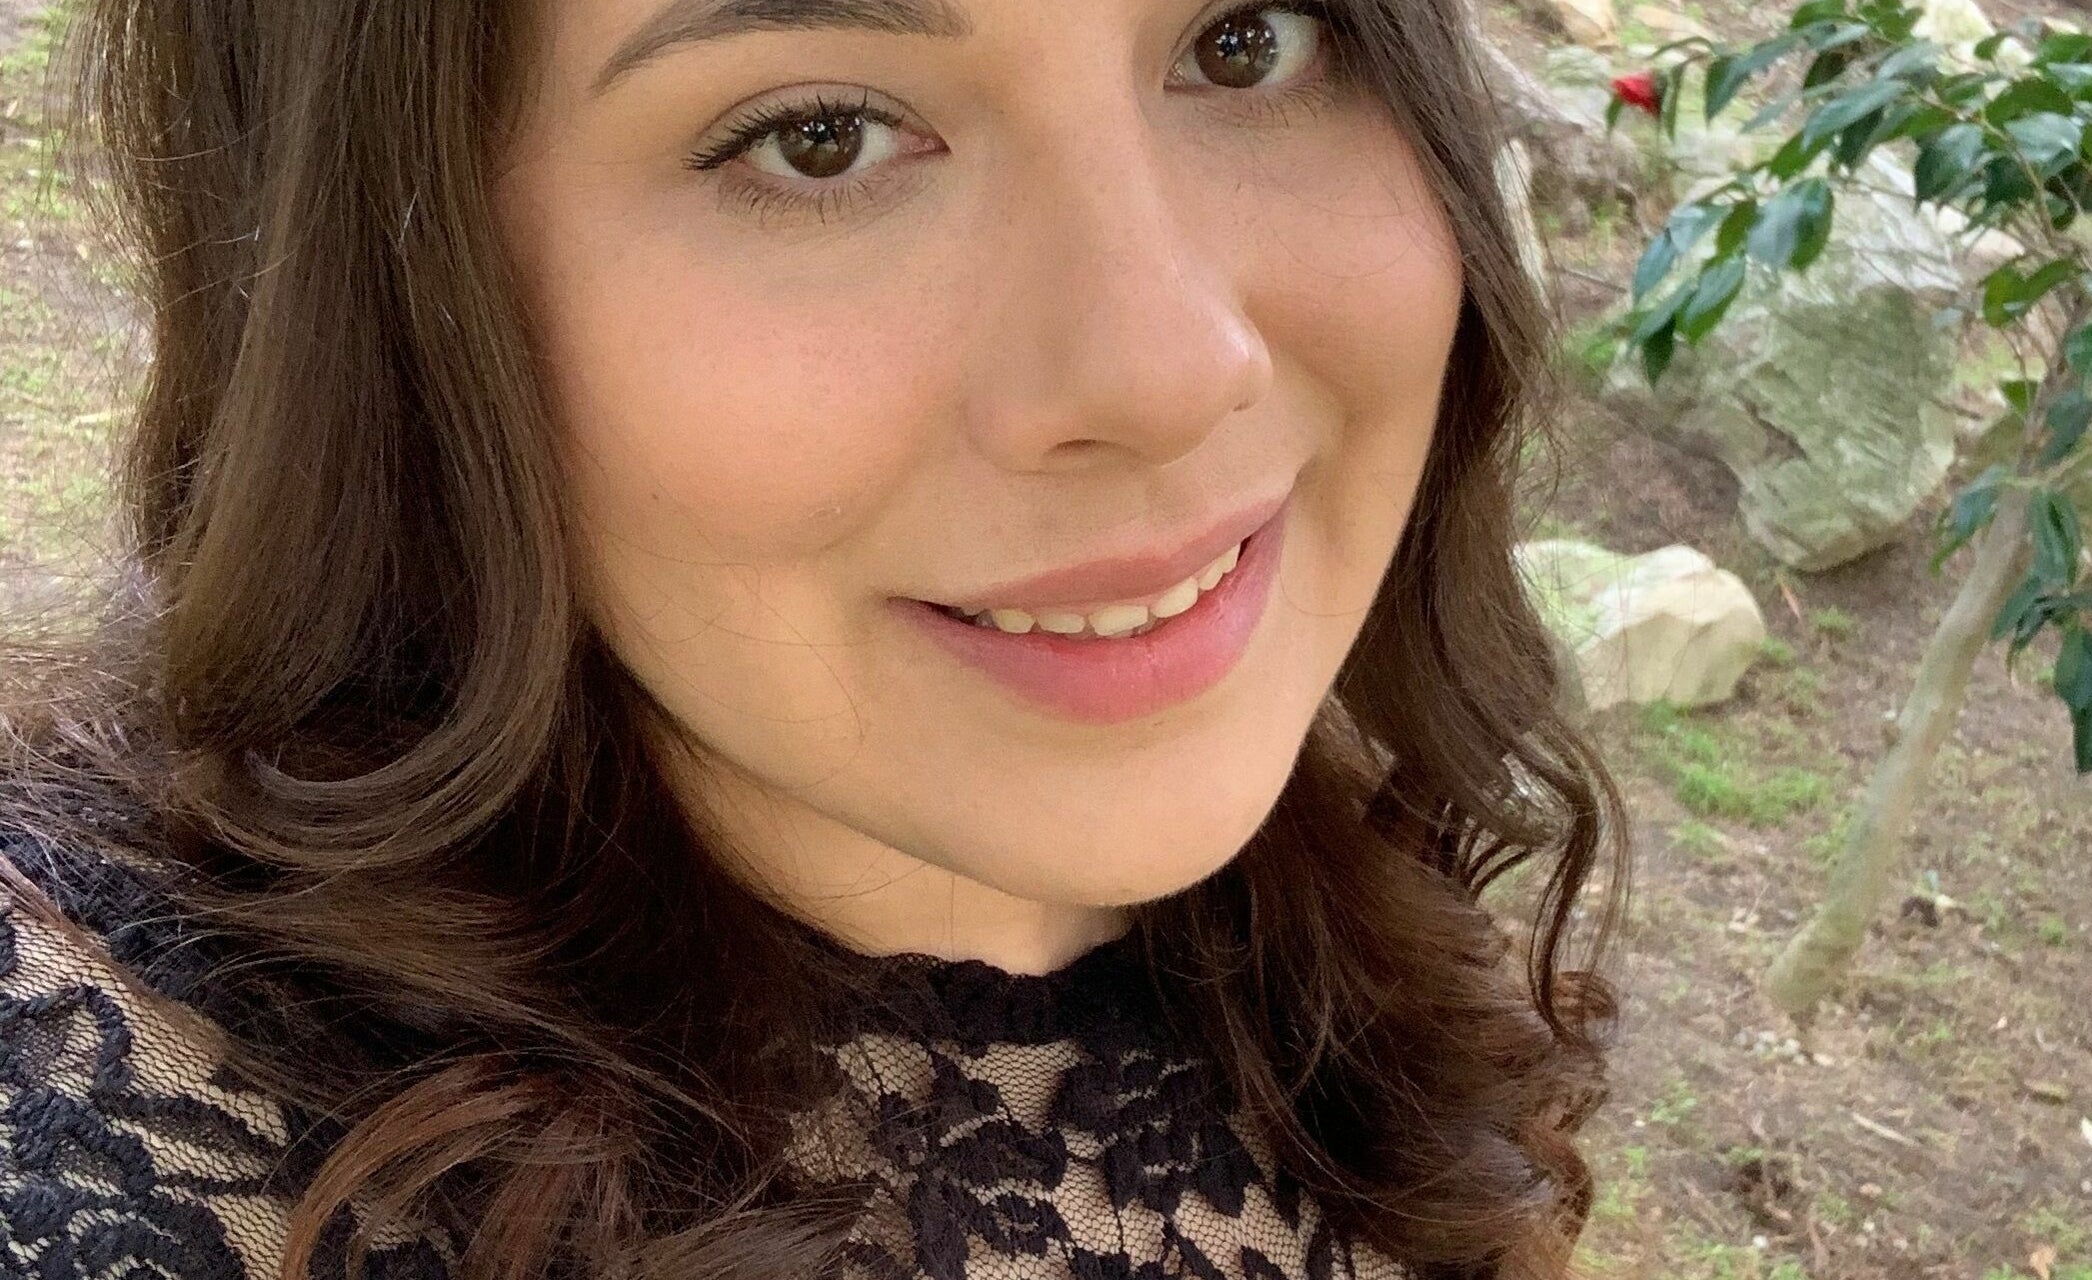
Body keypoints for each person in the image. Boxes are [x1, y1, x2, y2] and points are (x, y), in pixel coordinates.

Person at [0, 0, 1624, 1276]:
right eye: (820, 139)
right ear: (391, 287)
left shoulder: (1345, 939)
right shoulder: (102, 1138)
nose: (1171, 368)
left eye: (1244, 40)